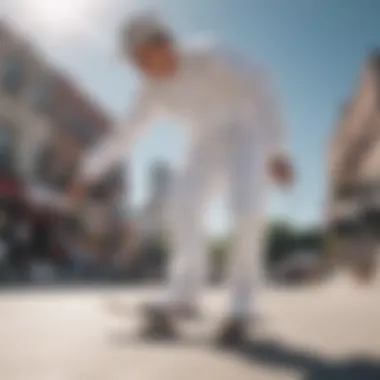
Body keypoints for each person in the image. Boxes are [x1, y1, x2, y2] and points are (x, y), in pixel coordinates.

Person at [70, 11, 294, 345]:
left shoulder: (209, 55)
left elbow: (260, 83)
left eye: (143, 57)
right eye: (135, 62)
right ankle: (185, 296)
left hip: (246, 133)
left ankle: (242, 306)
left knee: (246, 211)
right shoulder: (152, 91)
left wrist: (275, 148)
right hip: (204, 142)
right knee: (180, 208)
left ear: (164, 44)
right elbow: (126, 135)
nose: (140, 68)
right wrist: (87, 171)